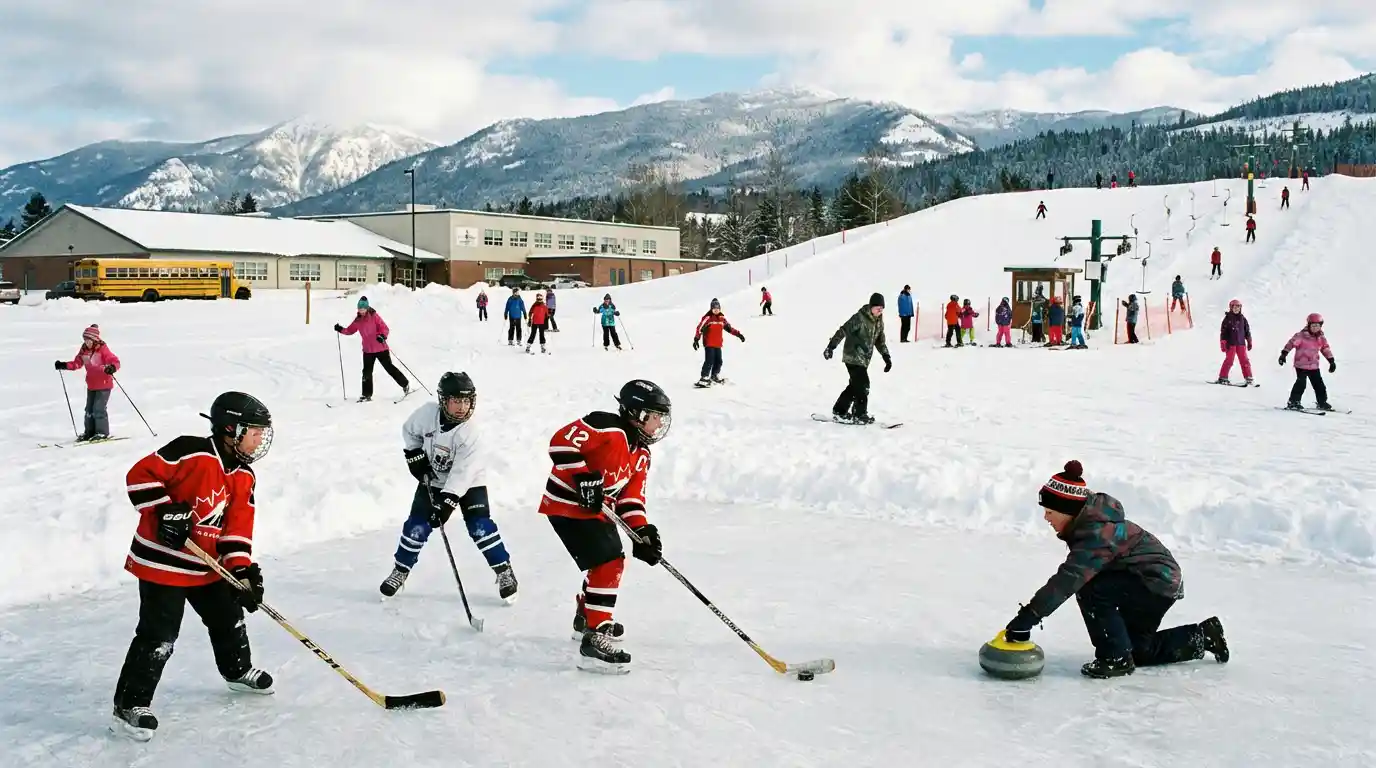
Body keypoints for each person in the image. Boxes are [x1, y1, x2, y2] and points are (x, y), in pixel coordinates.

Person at [111, 392, 275, 740]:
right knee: (159, 636)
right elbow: (139, 476)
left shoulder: (244, 476)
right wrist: (163, 510)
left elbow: (237, 528)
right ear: (232, 429)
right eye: (256, 431)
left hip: (207, 567)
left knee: (229, 617)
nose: (261, 438)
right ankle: (129, 705)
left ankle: (236, 671)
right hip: (162, 564)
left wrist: (241, 571)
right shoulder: (190, 450)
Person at [1002, 460, 1229, 679]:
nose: (1046, 517)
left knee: (1089, 586)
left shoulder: (1097, 533)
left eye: (1050, 511)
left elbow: (1067, 580)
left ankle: (1115, 658)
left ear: (1067, 510)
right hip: (1156, 581)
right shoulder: (1089, 519)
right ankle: (1202, 636)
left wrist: (1028, 617)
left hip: (1153, 581)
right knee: (1138, 651)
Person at [540, 379, 673, 673]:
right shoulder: (605, 426)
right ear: (637, 414)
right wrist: (583, 477)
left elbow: (631, 499)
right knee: (610, 561)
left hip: (598, 510)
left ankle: (587, 616)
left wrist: (643, 533)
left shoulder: (642, 454)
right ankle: (594, 638)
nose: (659, 424)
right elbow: (560, 442)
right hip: (567, 504)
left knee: (607, 561)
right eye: (655, 417)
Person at [380, 372, 517, 602]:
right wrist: (414, 455)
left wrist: (447, 503)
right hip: (433, 479)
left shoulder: (471, 433)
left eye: (466, 401)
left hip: (469, 482)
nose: (462, 407)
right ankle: (400, 570)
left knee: (479, 526)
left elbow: (463, 474)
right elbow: (409, 432)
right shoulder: (426, 414)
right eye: (456, 400)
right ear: (444, 400)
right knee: (417, 527)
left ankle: (504, 570)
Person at [823, 293, 891, 424]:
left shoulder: (878, 322)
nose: (879, 311)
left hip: (864, 359)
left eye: (882, 309)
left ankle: (839, 411)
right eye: (877, 308)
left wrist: (886, 357)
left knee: (855, 386)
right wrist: (831, 347)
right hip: (852, 356)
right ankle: (859, 414)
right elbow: (843, 330)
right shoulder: (859, 318)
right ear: (871, 307)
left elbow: (880, 341)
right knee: (863, 384)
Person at [334, 297, 409, 402]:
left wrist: (382, 336)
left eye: (363, 308)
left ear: (367, 307)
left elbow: (384, 328)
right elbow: (350, 330)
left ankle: (405, 384)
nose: (361, 310)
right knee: (366, 373)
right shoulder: (358, 320)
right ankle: (366, 395)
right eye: (360, 308)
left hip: (380, 348)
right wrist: (340, 329)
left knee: (389, 368)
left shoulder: (374, 316)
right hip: (368, 351)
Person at [54, 323, 120, 441]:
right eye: (85, 339)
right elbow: (76, 364)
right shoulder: (84, 350)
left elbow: (115, 361)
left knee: (98, 408)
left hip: (104, 384)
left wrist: (112, 367)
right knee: (89, 409)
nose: (86, 342)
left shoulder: (102, 349)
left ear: (95, 340)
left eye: (89, 340)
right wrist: (63, 365)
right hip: (92, 384)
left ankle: (101, 432)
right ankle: (89, 432)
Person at [1280, 313, 1336, 411]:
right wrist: (1284, 354)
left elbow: (1325, 349)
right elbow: (1290, 344)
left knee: (1319, 385)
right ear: (1308, 325)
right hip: (1301, 365)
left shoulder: (1321, 338)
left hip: (1314, 366)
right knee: (1301, 384)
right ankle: (1293, 402)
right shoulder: (1301, 336)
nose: (1315, 328)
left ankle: (1322, 402)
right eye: (1313, 326)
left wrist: (1331, 361)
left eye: (1317, 326)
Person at [692, 298, 745, 386]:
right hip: (709, 343)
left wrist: (739, 335)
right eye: (714, 308)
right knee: (709, 360)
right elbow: (699, 328)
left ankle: (714, 375)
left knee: (719, 361)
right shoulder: (708, 318)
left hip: (718, 344)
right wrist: (696, 339)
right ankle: (704, 377)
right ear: (711, 309)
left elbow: (729, 329)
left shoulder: (722, 319)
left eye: (717, 308)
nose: (716, 310)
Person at [1217, 299, 1253, 385]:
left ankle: (1248, 377)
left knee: (1245, 361)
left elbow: (1247, 331)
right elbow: (1223, 332)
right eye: (1234, 307)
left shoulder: (1243, 319)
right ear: (1231, 308)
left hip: (1241, 343)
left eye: (1238, 307)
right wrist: (1223, 342)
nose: (1236, 309)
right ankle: (1223, 377)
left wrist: (1249, 341)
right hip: (1231, 344)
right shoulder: (1227, 318)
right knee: (1229, 360)